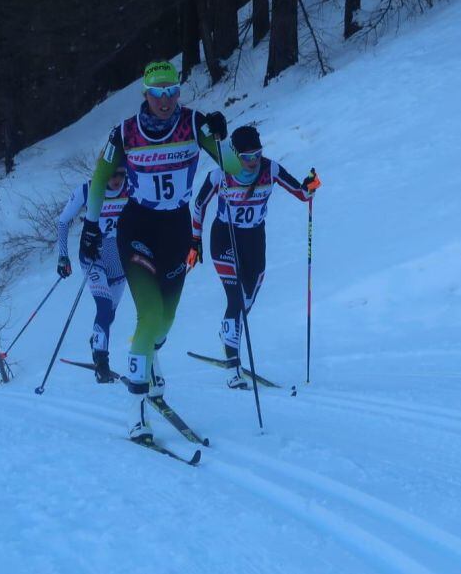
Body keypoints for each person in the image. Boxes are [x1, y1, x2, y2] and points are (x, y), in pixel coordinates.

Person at [79, 60, 241, 441]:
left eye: (171, 92)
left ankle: (149, 361)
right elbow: (101, 178)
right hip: (138, 228)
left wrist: (222, 135)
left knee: (164, 324)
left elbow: (232, 166)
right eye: (157, 93)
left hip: (175, 231)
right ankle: (137, 412)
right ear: (145, 95)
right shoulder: (125, 133)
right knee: (149, 315)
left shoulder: (195, 123)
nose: (165, 101)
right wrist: (90, 223)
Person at [189, 125, 320, 389]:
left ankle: (229, 331)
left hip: (254, 240)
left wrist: (311, 185)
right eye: (247, 157)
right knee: (235, 299)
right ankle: (233, 367)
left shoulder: (270, 169)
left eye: (257, 154)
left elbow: (301, 194)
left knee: (247, 299)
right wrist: (195, 241)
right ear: (235, 155)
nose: (253, 161)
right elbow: (199, 204)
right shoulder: (221, 175)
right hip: (225, 237)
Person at [56, 165, 129, 382]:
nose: (117, 179)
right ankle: (102, 362)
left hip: (119, 260)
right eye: (112, 174)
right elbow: (63, 221)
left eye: (122, 174)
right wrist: (63, 256)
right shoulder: (88, 190)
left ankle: (97, 340)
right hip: (93, 258)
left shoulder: (132, 188)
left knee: (109, 315)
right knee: (104, 307)